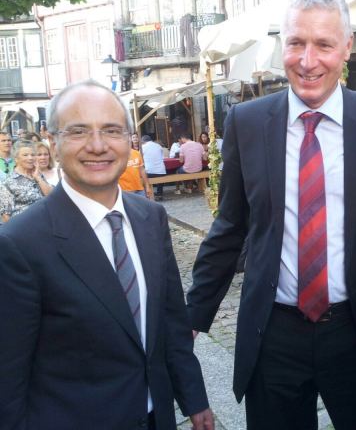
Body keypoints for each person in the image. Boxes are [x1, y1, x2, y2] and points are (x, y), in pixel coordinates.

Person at [187, 0, 356, 430]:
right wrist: (193, 316)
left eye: (324, 45)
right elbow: (231, 225)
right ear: (283, 45)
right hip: (274, 333)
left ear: (347, 48)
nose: (307, 60)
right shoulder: (248, 122)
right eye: (296, 42)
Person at [0, 80, 214, 429]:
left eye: (111, 130)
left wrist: (193, 397)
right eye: (79, 131)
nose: (97, 146)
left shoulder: (150, 217)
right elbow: (8, 377)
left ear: (129, 140)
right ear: (52, 143)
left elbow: (171, 319)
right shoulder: (19, 244)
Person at [0, 140, 52, 222]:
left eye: (33, 155)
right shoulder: (8, 182)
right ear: (16, 159)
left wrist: (38, 178)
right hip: (24, 228)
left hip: (46, 223)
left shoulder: (38, 175)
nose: (30, 158)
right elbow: (6, 216)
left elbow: (51, 196)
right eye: (25, 155)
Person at [141, 134, 167, 200]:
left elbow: (140, 160)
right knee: (159, 172)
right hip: (161, 172)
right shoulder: (158, 146)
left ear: (143, 141)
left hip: (149, 172)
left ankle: (147, 193)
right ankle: (159, 193)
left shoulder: (143, 147)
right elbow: (162, 158)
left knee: (142, 175)